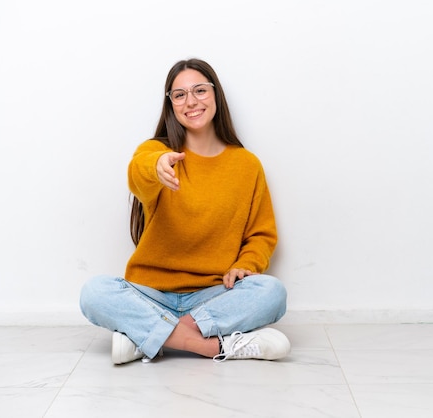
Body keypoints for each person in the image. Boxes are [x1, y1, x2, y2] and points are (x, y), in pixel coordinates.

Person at [80, 58, 289, 365]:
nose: (191, 101)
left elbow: (261, 234)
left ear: (216, 95)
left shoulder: (247, 165)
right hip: (151, 294)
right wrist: (157, 167)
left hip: (213, 295)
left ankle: (146, 337)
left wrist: (247, 263)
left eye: (200, 91)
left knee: (272, 292)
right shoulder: (156, 152)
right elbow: (138, 173)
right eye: (179, 95)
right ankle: (211, 346)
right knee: (94, 292)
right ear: (171, 104)